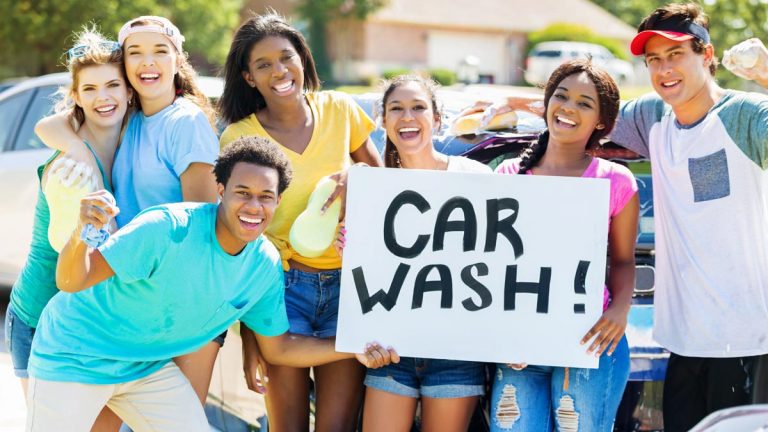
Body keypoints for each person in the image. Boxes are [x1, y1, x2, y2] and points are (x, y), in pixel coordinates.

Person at [25, 136, 398, 432]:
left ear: (278, 201)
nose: (254, 206)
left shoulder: (264, 263)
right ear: (220, 189)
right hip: (74, 354)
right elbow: (72, 281)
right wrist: (79, 234)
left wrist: (353, 348)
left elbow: (281, 348)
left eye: (266, 197)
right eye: (243, 193)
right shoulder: (167, 228)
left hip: (143, 366)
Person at [34, 15, 222, 412]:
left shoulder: (185, 121)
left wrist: (182, 313)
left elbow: (204, 226)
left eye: (159, 51)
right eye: (135, 53)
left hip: (182, 307)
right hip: (132, 304)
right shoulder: (131, 118)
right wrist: (81, 152)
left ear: (178, 59)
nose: (147, 62)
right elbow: (50, 123)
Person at [218, 13, 382, 431]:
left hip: (349, 286)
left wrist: (357, 178)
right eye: (263, 64)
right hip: (279, 289)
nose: (279, 71)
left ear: (303, 60)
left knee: (337, 426)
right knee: (286, 426)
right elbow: (239, 239)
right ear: (249, 77)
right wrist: (251, 340)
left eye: (286, 58)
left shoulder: (340, 110)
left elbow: (385, 188)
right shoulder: (239, 136)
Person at [609, 4, 768, 430]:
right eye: (654, 60)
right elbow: (574, 113)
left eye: (676, 55)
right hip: (682, 341)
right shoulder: (651, 116)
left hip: (749, 338)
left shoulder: (747, 115)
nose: (664, 70)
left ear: (707, 55)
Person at [335, 75, 490, 432]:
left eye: (418, 107)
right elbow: (370, 277)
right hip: (391, 349)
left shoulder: (477, 178)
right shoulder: (372, 191)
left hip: (456, 352)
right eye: (397, 109)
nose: (408, 117)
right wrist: (350, 251)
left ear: (437, 119)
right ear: (382, 120)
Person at [491, 60, 638, 431]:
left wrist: (619, 311)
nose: (569, 108)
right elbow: (489, 263)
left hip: (590, 341)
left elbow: (622, 261)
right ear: (547, 103)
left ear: (602, 122)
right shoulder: (508, 176)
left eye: (585, 103)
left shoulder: (615, 181)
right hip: (518, 344)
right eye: (562, 96)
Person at [4, 27, 132, 430]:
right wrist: (86, 162)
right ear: (75, 96)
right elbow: (72, 247)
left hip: (101, 323)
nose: (103, 97)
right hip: (42, 319)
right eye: (90, 88)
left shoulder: (138, 142)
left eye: (113, 84)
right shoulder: (70, 166)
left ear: (130, 90)